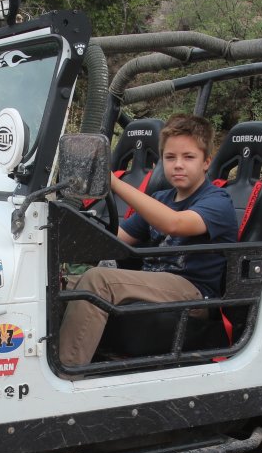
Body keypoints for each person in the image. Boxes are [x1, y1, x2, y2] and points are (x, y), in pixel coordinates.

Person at [58, 114, 238, 367]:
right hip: (155, 283)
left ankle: (67, 372)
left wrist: (113, 182)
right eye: (170, 157)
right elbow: (117, 238)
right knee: (61, 284)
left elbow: (174, 224)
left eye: (189, 157)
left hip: (194, 292)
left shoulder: (217, 201)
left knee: (99, 279)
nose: (178, 165)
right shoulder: (162, 198)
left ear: (207, 162)